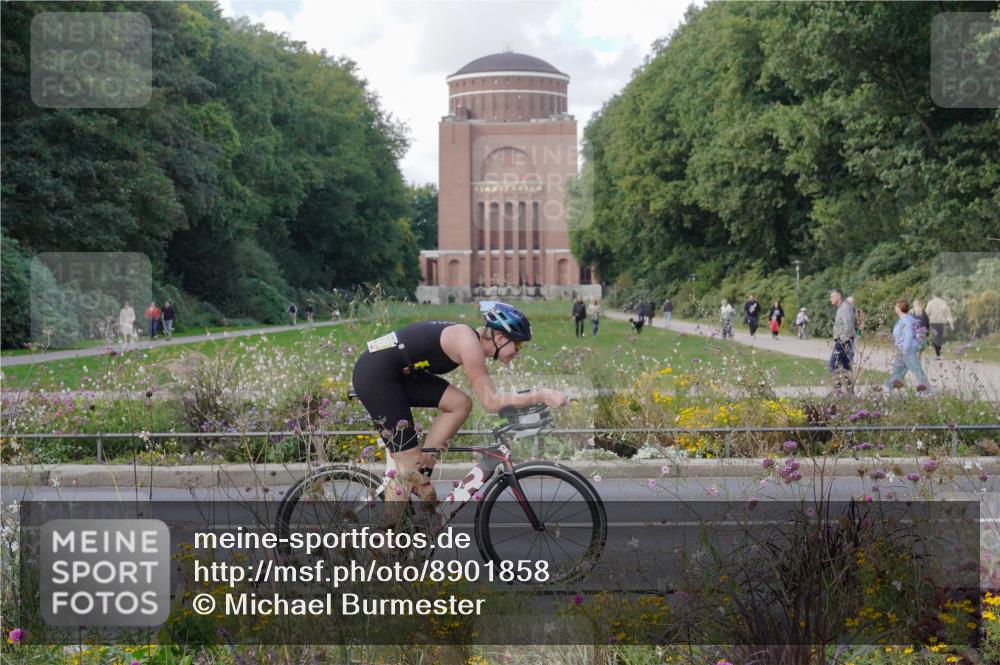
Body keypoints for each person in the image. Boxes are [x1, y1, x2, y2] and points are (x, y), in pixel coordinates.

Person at [351, 302, 567, 510]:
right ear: (500, 338)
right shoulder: (468, 344)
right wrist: (542, 395)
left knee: (460, 404)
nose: (518, 351)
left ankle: (422, 471)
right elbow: (491, 402)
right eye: (518, 344)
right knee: (407, 470)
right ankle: (386, 542)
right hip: (376, 376)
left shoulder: (467, 338)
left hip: (397, 375)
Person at [883, 298, 930, 392]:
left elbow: (909, 335)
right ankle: (887, 386)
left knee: (916, 369)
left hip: (907, 350)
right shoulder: (906, 319)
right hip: (904, 350)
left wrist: (904, 350)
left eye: (896, 306)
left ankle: (926, 390)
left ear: (899, 308)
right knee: (898, 370)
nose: (894, 308)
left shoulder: (906, 320)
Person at [829, 289, 856, 392]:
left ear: (838, 297)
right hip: (844, 341)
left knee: (833, 364)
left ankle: (838, 391)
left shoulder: (845, 308)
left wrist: (841, 341)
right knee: (845, 367)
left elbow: (849, 327)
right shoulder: (842, 307)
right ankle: (850, 393)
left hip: (843, 341)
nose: (830, 299)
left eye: (832, 296)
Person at [925, 291, 955, 358]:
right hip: (942, 323)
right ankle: (938, 353)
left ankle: (937, 354)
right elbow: (948, 315)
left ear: (934, 295)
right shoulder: (944, 303)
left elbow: (926, 313)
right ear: (940, 295)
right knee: (939, 338)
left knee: (935, 337)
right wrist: (951, 325)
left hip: (933, 323)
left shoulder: (930, 303)